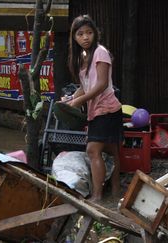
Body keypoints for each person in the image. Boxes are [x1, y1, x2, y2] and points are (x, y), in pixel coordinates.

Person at [64, 15, 122, 202]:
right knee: (111, 152)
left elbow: (102, 84)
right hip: (96, 111)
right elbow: (85, 85)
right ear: (74, 37)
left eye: (89, 32)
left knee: (92, 150)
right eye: (80, 34)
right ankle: (115, 192)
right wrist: (71, 99)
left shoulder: (101, 52)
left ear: (95, 33)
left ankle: (97, 196)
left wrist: (79, 102)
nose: (85, 37)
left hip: (107, 110)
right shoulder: (82, 57)